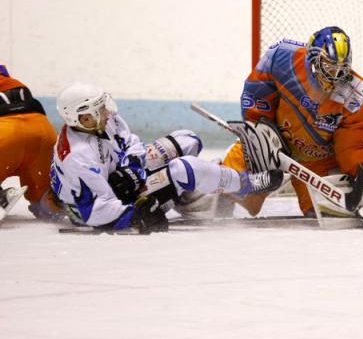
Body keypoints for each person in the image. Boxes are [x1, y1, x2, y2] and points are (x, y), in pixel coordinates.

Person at [220, 26, 363, 227]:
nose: (336, 76)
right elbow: (257, 90)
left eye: (342, 68)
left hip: (317, 160)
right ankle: (215, 189)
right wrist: (260, 130)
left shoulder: (357, 94)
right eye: (330, 66)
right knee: (236, 190)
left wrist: (362, 174)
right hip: (272, 144)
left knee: (319, 213)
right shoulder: (283, 57)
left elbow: (355, 144)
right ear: (313, 59)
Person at [50, 82, 283, 233]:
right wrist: (135, 217)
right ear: (84, 118)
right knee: (185, 169)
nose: (107, 112)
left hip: (120, 179)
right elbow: (93, 211)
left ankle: (192, 196)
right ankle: (245, 184)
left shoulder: (103, 122)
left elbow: (130, 142)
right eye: (99, 109)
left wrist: (132, 168)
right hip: (109, 203)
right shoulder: (78, 158)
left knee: (187, 140)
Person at [0, 64, 63, 221]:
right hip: (43, 133)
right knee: (44, 203)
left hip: (6, 135)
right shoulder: (14, 83)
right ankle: (67, 206)